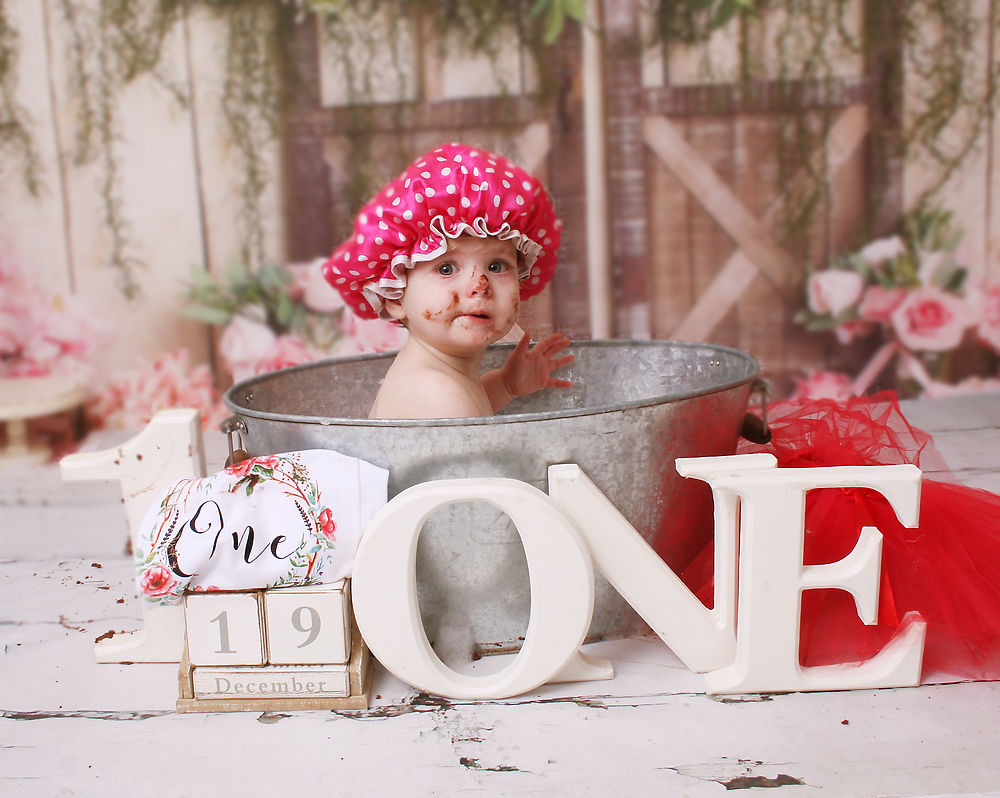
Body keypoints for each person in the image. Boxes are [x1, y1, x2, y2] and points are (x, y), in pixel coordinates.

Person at [322, 143, 573, 419]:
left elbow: (471, 405)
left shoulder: (443, 379)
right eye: (446, 269)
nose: (480, 285)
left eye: (496, 266)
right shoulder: (439, 394)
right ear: (395, 296)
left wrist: (506, 385)